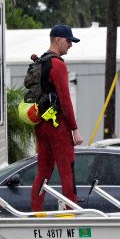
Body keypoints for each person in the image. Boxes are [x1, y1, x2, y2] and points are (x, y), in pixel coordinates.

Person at [31, 24, 85, 211]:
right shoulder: (58, 64)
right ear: (58, 40)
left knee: (43, 173)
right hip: (58, 126)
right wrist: (75, 130)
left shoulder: (39, 62)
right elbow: (65, 100)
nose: (70, 45)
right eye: (69, 41)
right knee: (67, 171)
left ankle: (36, 213)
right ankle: (72, 214)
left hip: (40, 125)